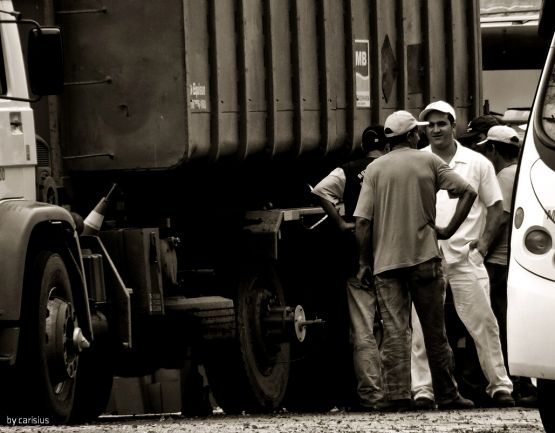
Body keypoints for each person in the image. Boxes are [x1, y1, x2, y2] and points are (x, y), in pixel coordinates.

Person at [354, 110, 477, 411]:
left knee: (395, 332)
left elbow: (361, 222)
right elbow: (468, 191)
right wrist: (447, 230)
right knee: (435, 330)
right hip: (425, 258)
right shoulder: (430, 161)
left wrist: (364, 260)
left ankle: (397, 396)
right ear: (412, 135)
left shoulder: (375, 170)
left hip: (387, 264)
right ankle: (447, 394)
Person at [411, 101, 515, 409]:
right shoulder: (418, 161)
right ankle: (422, 389)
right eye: (430, 125)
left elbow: (496, 207)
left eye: (441, 123)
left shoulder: (476, 163)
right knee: (421, 326)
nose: (435, 129)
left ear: (453, 126)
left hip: (466, 255)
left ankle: (499, 385)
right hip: (428, 256)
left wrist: (483, 245)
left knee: (484, 322)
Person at [312, 125, 387, 410]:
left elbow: (320, 191)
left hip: (357, 257)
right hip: (392, 254)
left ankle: (371, 394)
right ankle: (397, 389)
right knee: (394, 326)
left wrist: (342, 223)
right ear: (387, 146)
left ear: (364, 146)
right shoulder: (393, 167)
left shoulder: (348, 170)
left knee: (362, 328)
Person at [476, 125, 538, 406]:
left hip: (499, 261)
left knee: (499, 322)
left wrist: (483, 246)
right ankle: (527, 381)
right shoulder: (523, 172)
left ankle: (515, 383)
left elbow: (500, 217)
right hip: (516, 259)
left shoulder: (502, 176)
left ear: (492, 149)